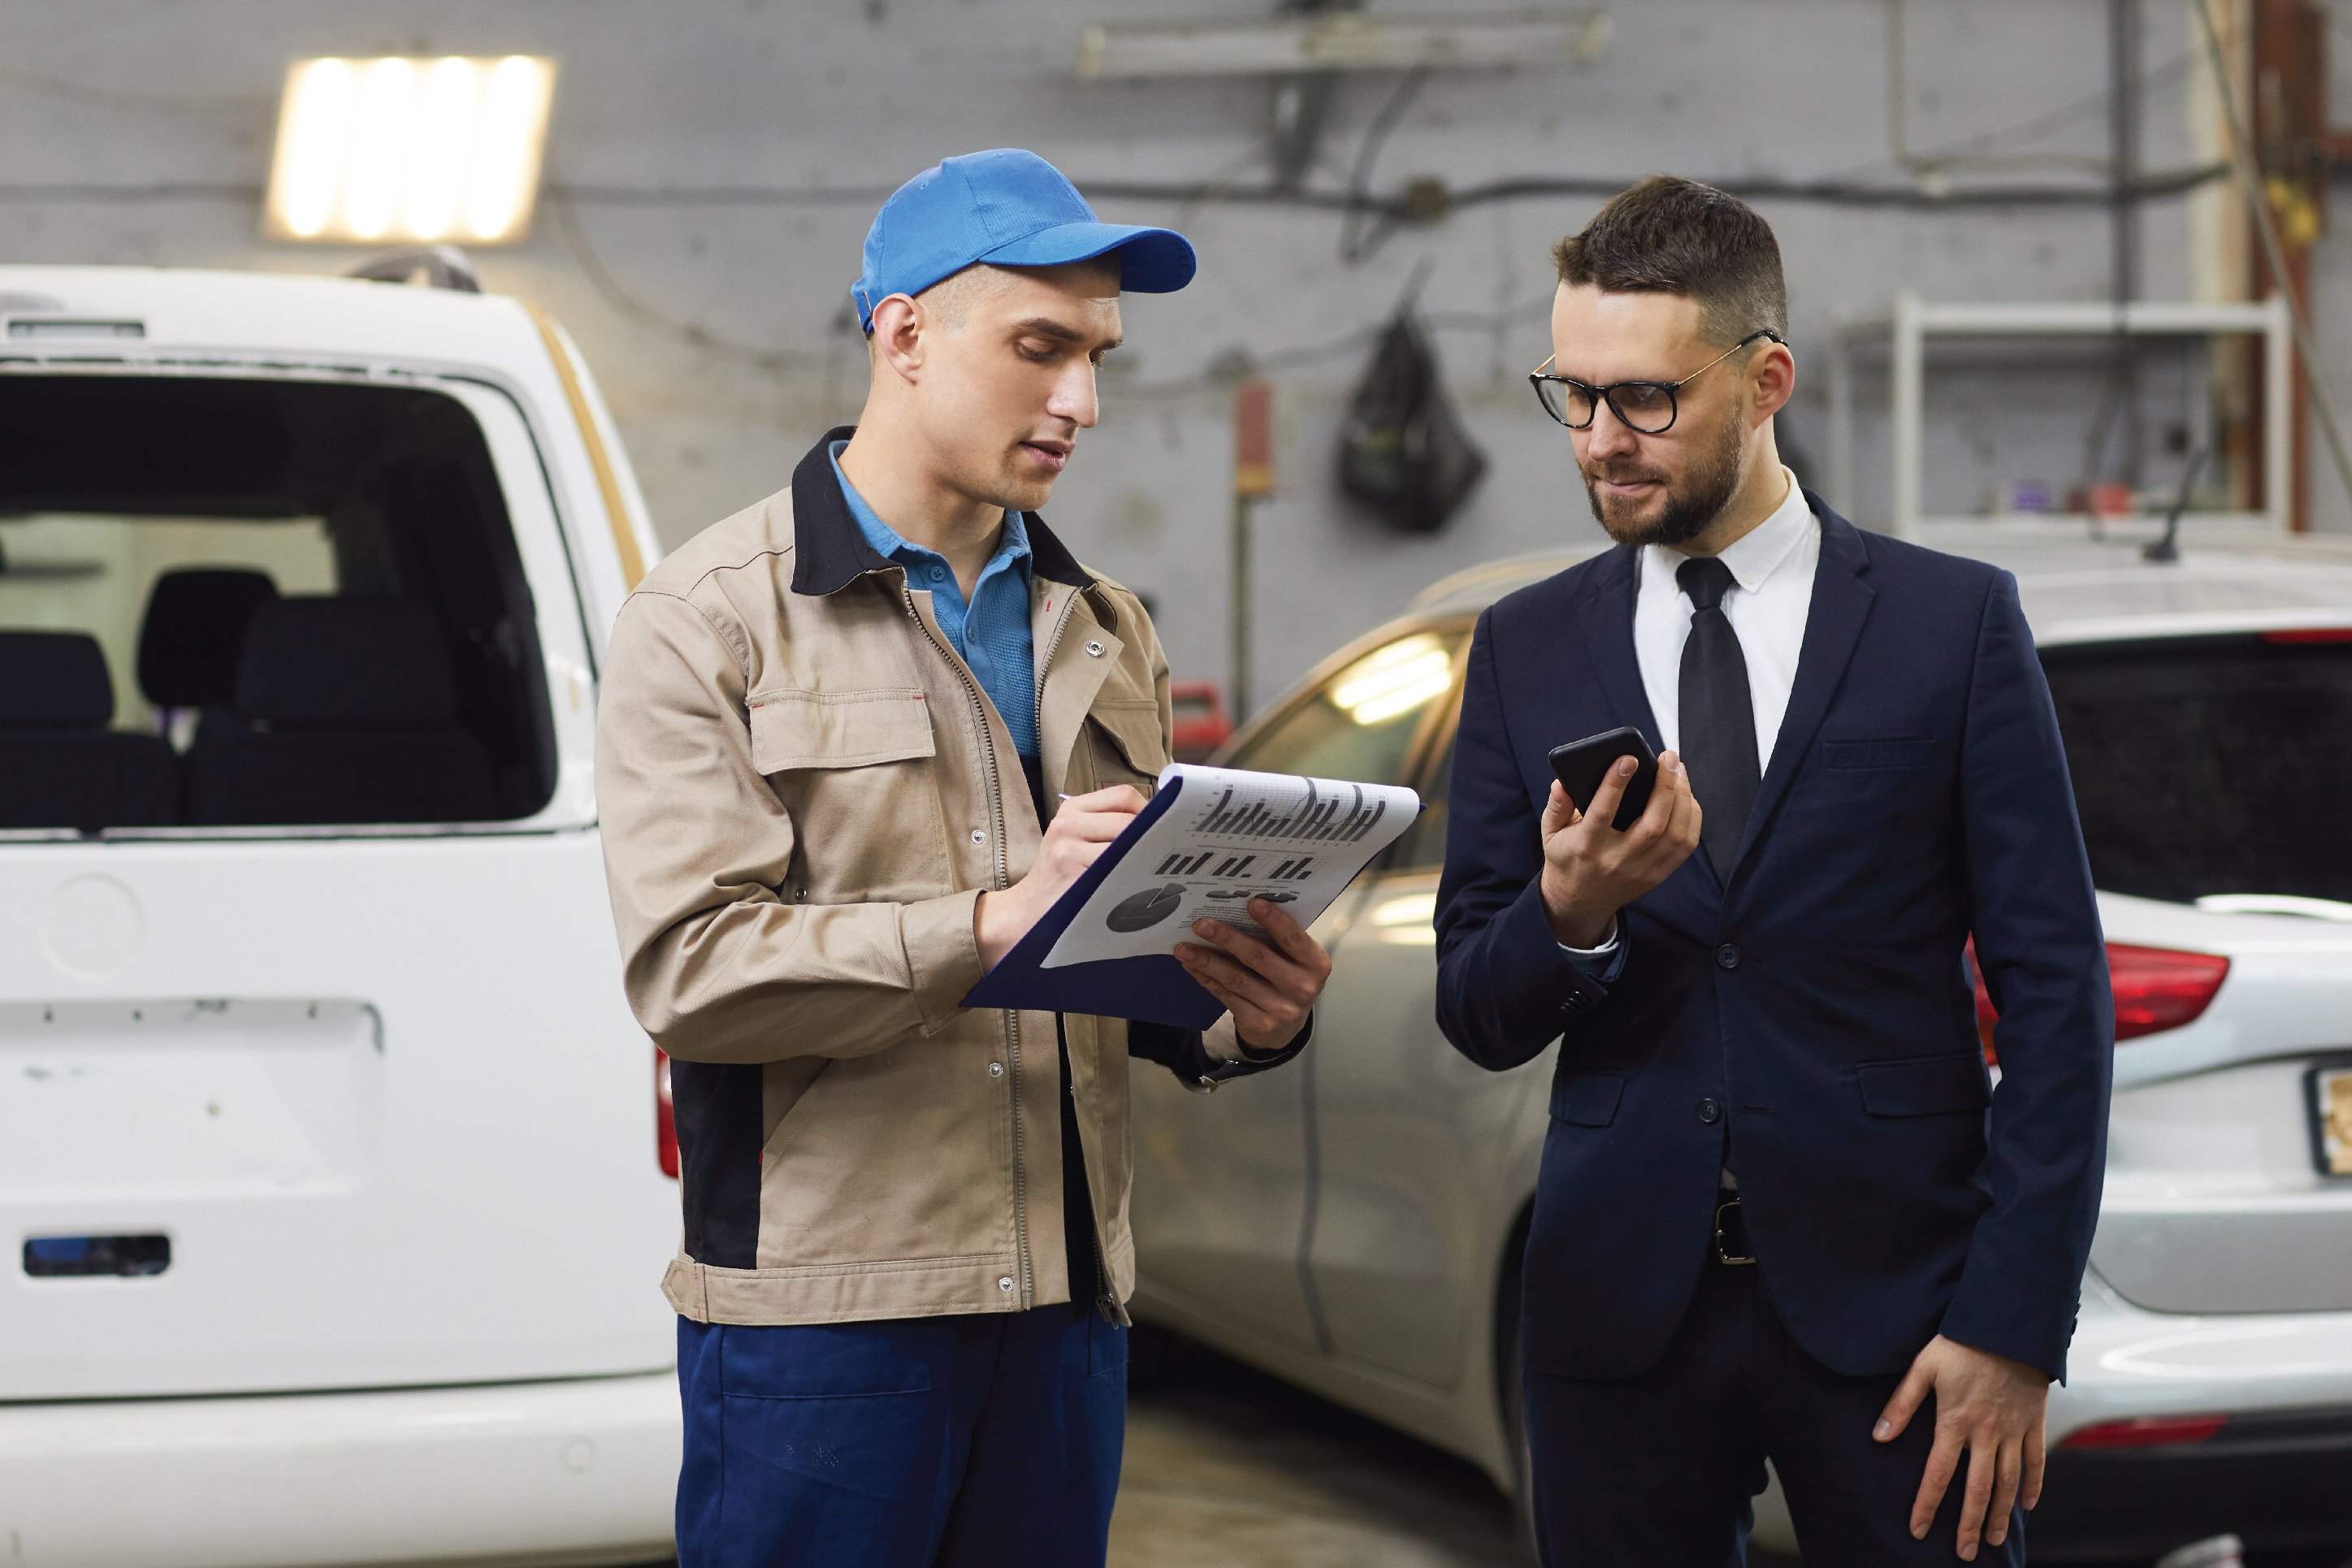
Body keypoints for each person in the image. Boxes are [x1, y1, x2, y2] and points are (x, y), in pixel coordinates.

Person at [596, 148, 1331, 1568]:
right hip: (827, 1321)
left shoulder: (1101, 621)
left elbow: (1113, 946)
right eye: (1040, 348)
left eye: (1099, 355)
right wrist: (989, 920)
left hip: (1067, 1313)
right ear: (906, 333)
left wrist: (1243, 1012)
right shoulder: (710, 619)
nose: (1083, 402)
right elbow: (692, 972)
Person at [1433, 176, 2113, 1566]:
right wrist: (1572, 911)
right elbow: (1477, 1006)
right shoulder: (1522, 646)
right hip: (1615, 1311)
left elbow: (2058, 998)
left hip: (1909, 1313)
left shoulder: (1951, 625)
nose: (1602, 442)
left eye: (1646, 401)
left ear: (1767, 380)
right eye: (1573, 395)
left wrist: (2011, 1323)